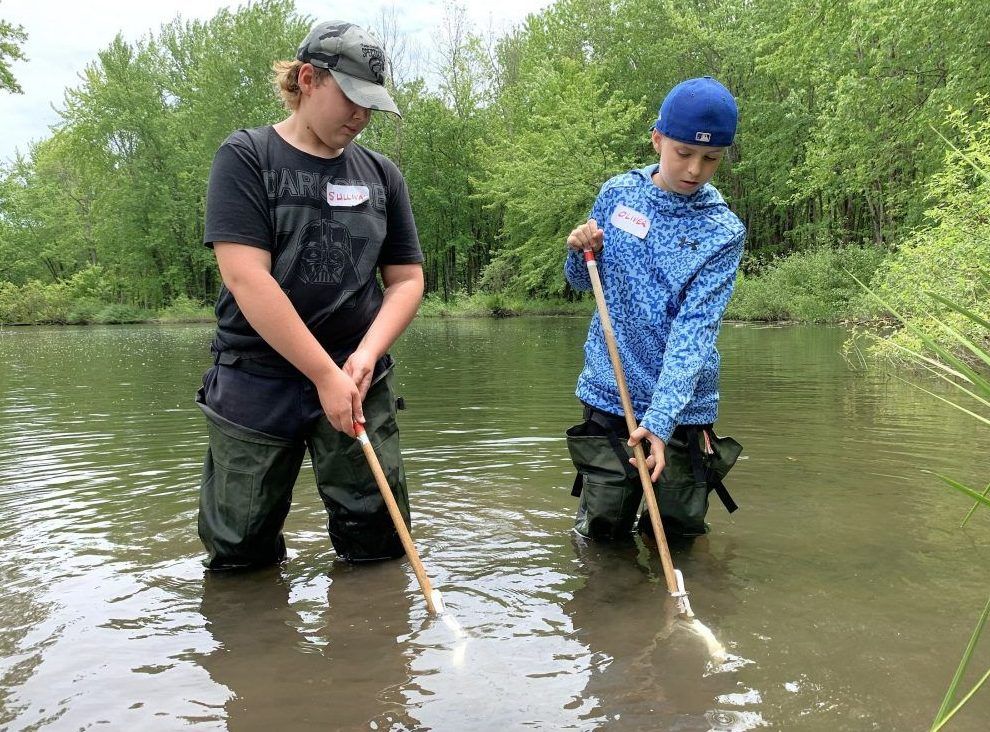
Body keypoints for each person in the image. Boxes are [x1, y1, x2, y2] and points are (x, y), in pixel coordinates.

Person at [195, 21, 424, 569]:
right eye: (351, 98)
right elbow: (247, 277)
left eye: (371, 104)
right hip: (256, 377)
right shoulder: (246, 157)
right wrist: (323, 375)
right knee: (238, 549)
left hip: (357, 374)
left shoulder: (381, 175)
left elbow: (407, 280)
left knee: (379, 541)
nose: (361, 116)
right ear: (306, 79)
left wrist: (362, 359)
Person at [564, 76, 744, 543]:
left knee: (679, 530)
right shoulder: (618, 195)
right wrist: (582, 250)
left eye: (711, 159)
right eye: (683, 152)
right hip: (610, 392)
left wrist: (661, 419)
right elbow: (582, 281)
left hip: (683, 405)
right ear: (657, 138)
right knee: (603, 530)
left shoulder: (723, 231)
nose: (695, 169)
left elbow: (694, 333)